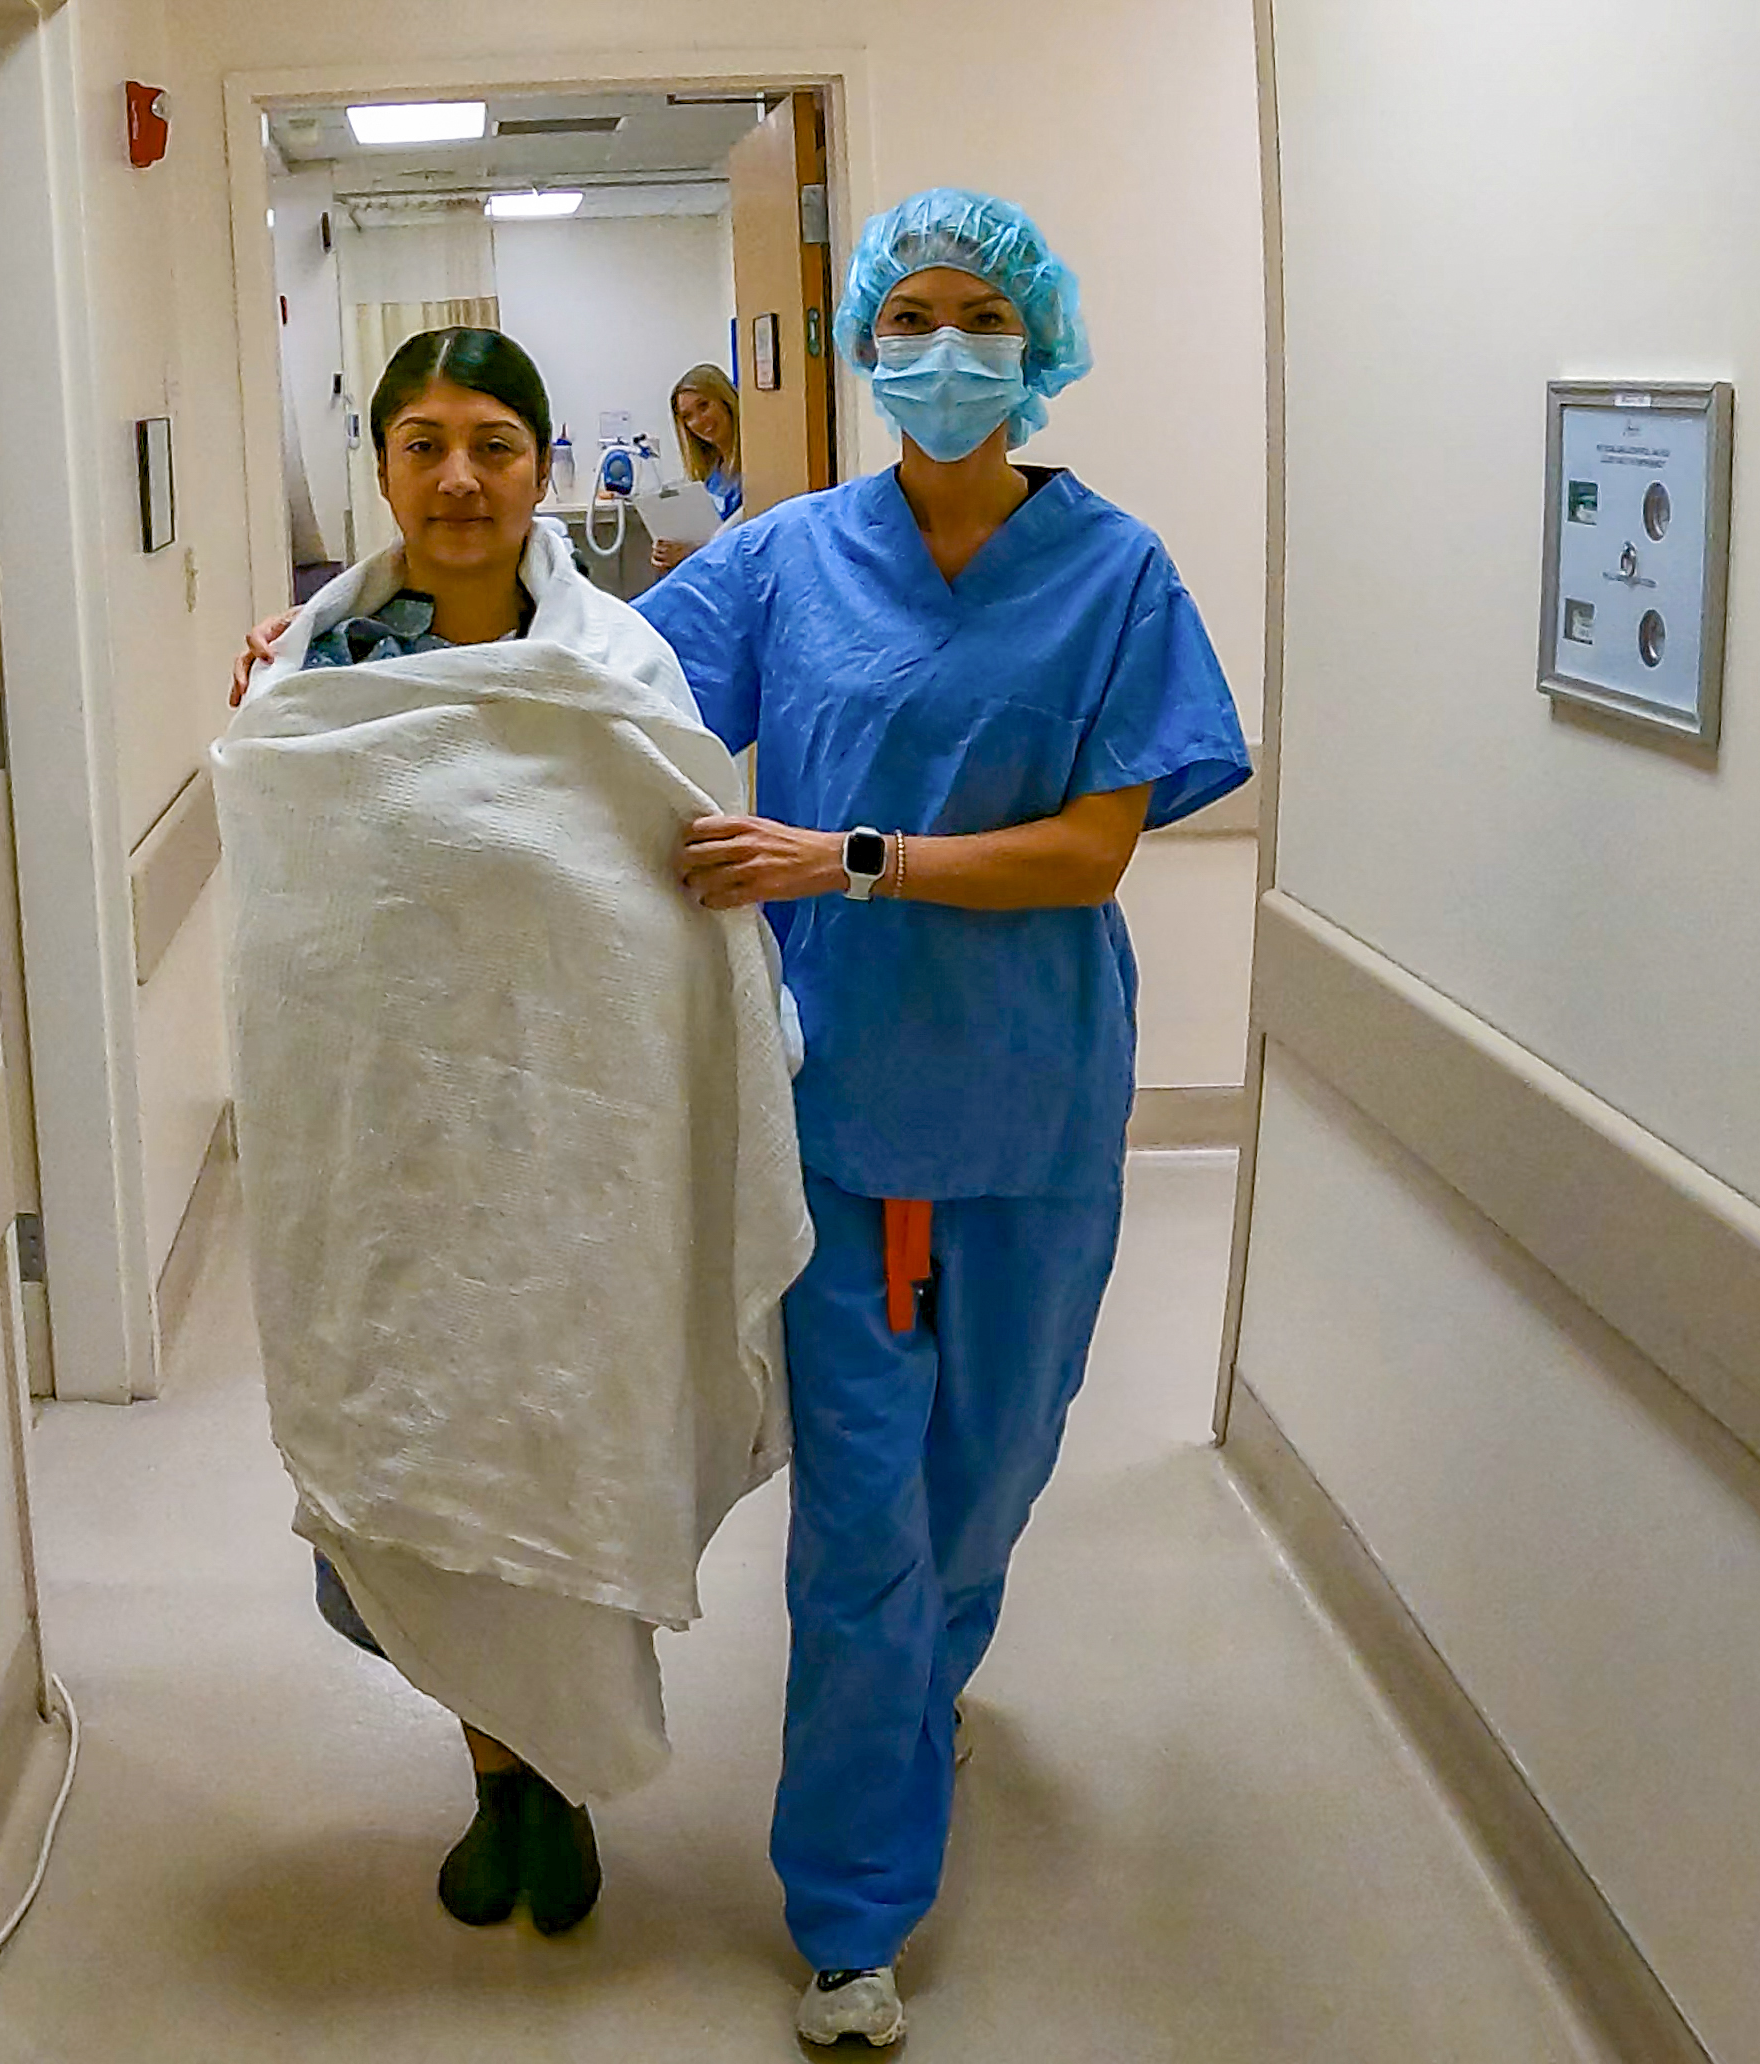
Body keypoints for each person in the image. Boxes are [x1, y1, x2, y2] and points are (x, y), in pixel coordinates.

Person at [632, 189, 1252, 2049]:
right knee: (861, 1531)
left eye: (984, 314)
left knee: (986, 1487)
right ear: (867, 348)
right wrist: (371, 625)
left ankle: (916, 1695)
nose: (947, 344)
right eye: (913, 312)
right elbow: (587, 677)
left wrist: (855, 855)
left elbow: (1092, 845)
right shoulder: (784, 559)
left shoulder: (1118, 570)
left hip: (1037, 1097)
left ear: (1035, 345)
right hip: (841, 1108)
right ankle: (850, 1911)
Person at [217, 328, 810, 1942]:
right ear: (386, 468)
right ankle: (496, 1777)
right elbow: (294, 925)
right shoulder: (311, 682)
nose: (459, 476)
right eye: (423, 443)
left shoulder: (620, 667)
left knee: (569, 1446)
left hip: (576, 1164)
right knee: (422, 1464)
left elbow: (673, 909)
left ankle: (558, 1779)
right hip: (390, 1170)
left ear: (542, 463)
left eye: (492, 441)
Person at [653, 362, 746, 572]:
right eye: (687, 416)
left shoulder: (757, 467)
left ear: (726, 401)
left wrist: (694, 552)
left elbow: (746, 541)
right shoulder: (711, 475)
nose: (699, 421)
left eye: (704, 406)